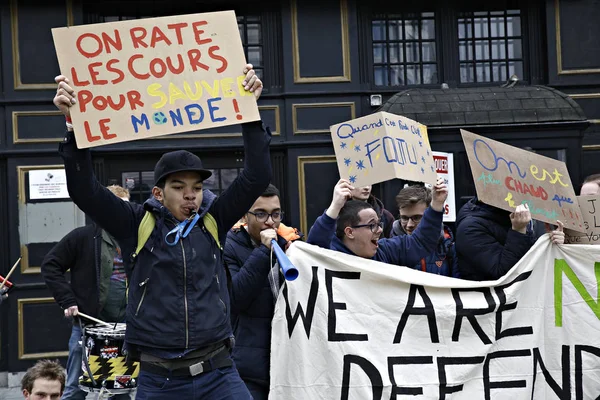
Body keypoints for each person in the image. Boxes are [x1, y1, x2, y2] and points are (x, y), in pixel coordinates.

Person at [53, 64, 271, 399]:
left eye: (197, 187)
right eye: (179, 186)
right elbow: (86, 192)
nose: (190, 194)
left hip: (220, 373)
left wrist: (250, 112)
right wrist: (73, 124)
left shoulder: (213, 220)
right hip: (160, 380)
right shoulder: (136, 223)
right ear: (158, 193)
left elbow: (255, 178)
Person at [41, 185, 131, 400]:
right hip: (88, 328)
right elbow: (50, 265)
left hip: (125, 327)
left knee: (121, 391)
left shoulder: (135, 238)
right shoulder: (83, 237)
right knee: (75, 389)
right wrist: (67, 300)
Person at [224, 184, 302, 399]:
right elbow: (236, 298)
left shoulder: (292, 244)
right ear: (244, 216)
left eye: (275, 214)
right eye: (261, 214)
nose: (270, 222)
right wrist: (262, 252)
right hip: (248, 367)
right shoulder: (228, 247)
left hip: (288, 361)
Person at [307, 178, 447, 266]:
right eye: (372, 225)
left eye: (379, 224)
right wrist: (335, 206)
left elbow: (421, 242)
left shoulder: (384, 251)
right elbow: (313, 251)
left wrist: (436, 205)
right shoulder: (331, 255)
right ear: (350, 232)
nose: (380, 230)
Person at [455, 198, 564, 281]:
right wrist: (518, 231)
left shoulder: (517, 215)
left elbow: (534, 259)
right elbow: (503, 273)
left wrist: (554, 242)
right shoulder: (469, 228)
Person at [393, 185, 460, 278]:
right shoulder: (389, 249)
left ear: (430, 215)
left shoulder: (448, 247)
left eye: (416, 218)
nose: (409, 225)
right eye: (404, 218)